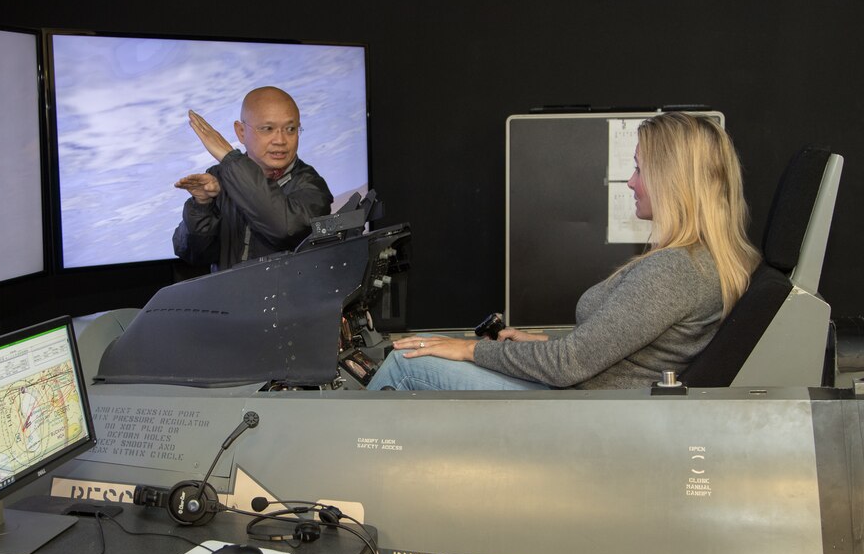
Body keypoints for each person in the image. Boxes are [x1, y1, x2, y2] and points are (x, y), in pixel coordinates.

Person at [367, 112, 761, 391]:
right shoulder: (704, 261)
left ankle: (323, 499)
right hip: (592, 396)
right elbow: (612, 351)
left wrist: (471, 349)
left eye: (639, 169)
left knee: (405, 364)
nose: (630, 182)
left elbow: (569, 365)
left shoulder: (675, 271)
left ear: (670, 180)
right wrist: (544, 343)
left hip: (585, 412)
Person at [172, 86, 333, 271]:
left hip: (285, 298)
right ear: (241, 132)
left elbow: (285, 228)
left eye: (290, 129)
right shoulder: (219, 177)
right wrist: (202, 205)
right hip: (230, 297)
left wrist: (229, 157)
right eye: (268, 129)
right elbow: (193, 253)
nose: (280, 140)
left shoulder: (311, 185)